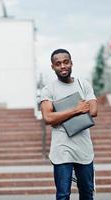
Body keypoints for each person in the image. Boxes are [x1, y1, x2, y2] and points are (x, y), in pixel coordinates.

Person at [40, 48, 98, 200]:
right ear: (52, 67)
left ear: (71, 63)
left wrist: (59, 114)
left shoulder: (83, 84)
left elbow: (93, 110)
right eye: (58, 64)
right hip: (61, 150)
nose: (63, 66)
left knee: (87, 193)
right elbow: (47, 118)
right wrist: (76, 109)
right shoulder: (48, 89)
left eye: (66, 62)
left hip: (83, 149)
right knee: (63, 195)